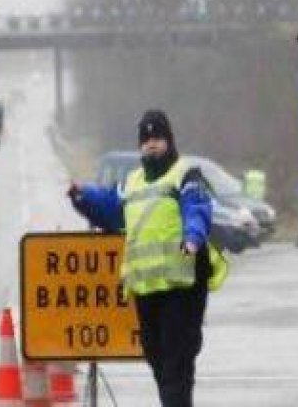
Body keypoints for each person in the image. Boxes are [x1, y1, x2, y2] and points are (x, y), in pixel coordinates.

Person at [67, 110, 228, 407]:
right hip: (147, 290)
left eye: (157, 138)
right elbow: (110, 208)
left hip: (182, 288)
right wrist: (83, 196)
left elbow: (197, 209)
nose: (152, 144)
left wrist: (192, 239)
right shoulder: (132, 182)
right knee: (160, 364)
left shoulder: (185, 174)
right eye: (146, 139)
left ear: (168, 141)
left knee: (174, 368)